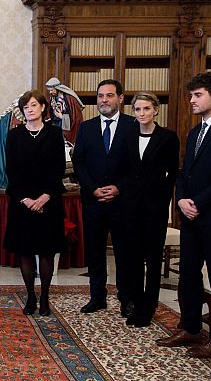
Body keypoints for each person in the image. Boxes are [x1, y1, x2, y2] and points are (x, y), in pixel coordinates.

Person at [156, 72, 211, 358]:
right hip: (191, 215)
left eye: (197, 95)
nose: (192, 100)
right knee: (188, 274)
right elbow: (184, 172)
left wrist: (196, 201)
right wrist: (182, 199)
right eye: (191, 95)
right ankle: (191, 327)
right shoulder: (195, 131)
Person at [72, 79, 136, 316]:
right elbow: (78, 162)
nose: (104, 100)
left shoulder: (133, 126)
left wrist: (119, 187)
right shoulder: (86, 128)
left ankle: (126, 298)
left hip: (123, 202)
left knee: (124, 252)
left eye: (109, 95)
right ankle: (97, 297)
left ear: (120, 98)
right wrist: (92, 189)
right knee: (95, 251)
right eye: (100, 96)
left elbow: (136, 166)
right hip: (94, 201)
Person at [119, 92, 179, 327]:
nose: (142, 114)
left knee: (153, 259)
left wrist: (160, 200)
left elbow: (171, 174)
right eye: (137, 109)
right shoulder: (127, 136)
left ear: (156, 110)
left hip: (154, 207)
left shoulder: (168, 137)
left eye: (146, 109)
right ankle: (135, 301)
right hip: (130, 206)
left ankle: (149, 306)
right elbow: (122, 171)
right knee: (131, 257)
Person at [4, 90, 66, 316]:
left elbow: (58, 169)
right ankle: (30, 296)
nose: (29, 110)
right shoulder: (14, 136)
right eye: (25, 107)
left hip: (48, 201)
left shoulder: (54, 133)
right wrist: (26, 199)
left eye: (32, 105)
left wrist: (44, 197)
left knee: (47, 251)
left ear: (42, 107)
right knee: (26, 252)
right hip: (22, 202)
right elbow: (12, 170)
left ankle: (46, 297)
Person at [45, 77, 84, 143]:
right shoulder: (53, 98)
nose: (50, 92)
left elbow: (74, 117)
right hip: (55, 123)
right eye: (49, 90)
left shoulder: (69, 99)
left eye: (52, 90)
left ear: (57, 88)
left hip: (65, 126)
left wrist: (61, 117)